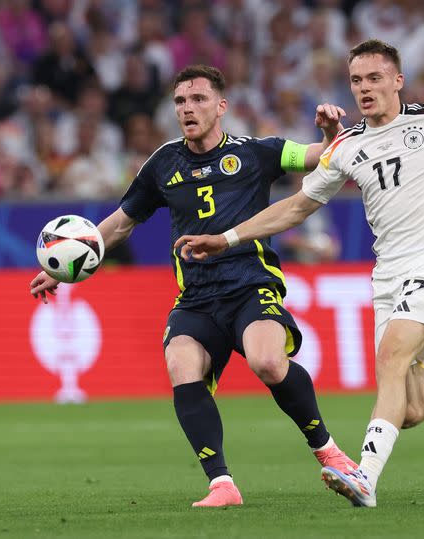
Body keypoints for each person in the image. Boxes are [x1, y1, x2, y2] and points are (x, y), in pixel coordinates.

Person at [175, 40, 424, 508]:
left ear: (397, 81)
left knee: (390, 359)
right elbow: (297, 206)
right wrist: (227, 238)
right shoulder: (347, 148)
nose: (364, 89)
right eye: (356, 80)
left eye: (373, 78)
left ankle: (364, 477)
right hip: (386, 276)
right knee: (408, 408)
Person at [30, 65, 357, 507]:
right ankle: (221, 484)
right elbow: (122, 223)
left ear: (221, 107)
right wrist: (66, 265)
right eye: (181, 101)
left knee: (267, 363)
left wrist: (331, 131)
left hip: (250, 285)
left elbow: (316, 156)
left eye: (199, 99)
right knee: (181, 367)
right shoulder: (163, 163)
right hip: (197, 298)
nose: (188, 108)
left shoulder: (256, 152)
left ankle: (328, 451)